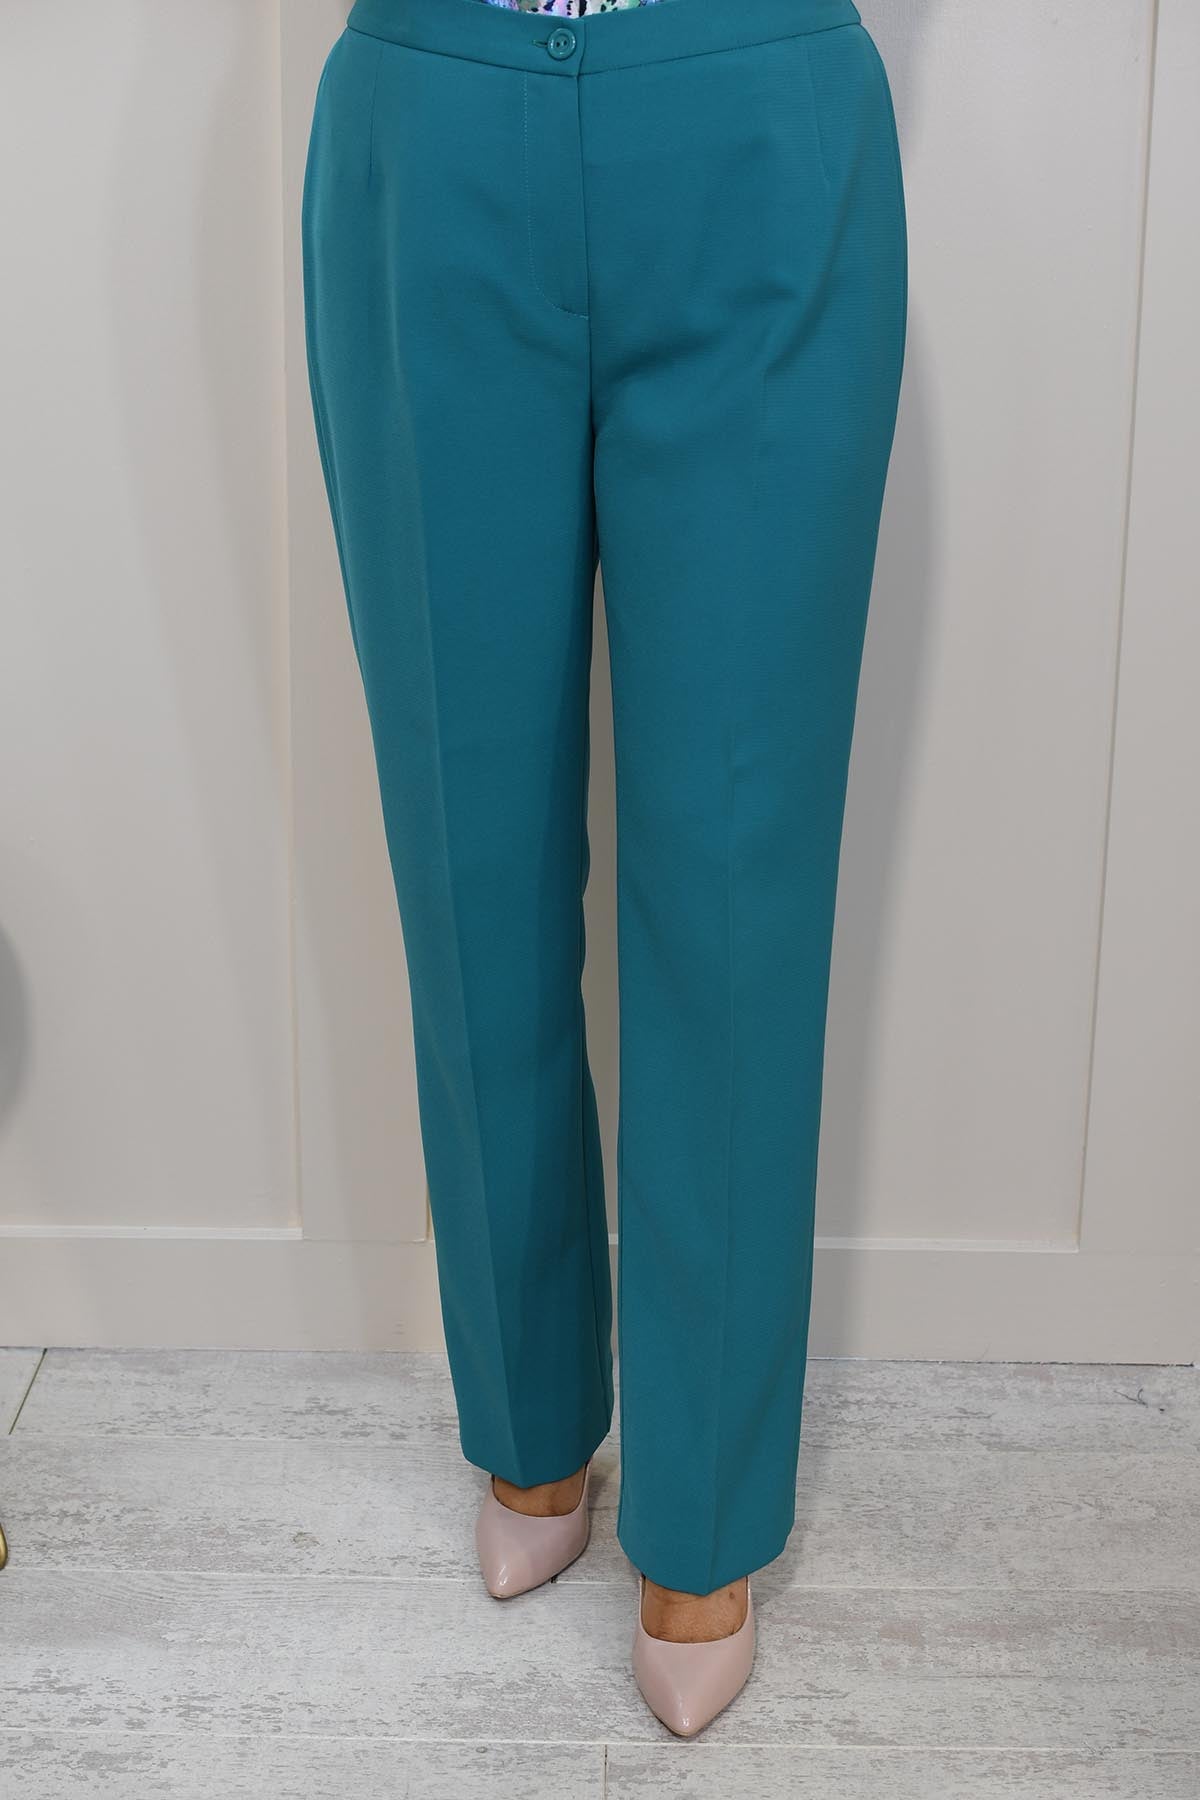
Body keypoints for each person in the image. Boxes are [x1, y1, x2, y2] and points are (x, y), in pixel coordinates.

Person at [302, 0, 905, 1738]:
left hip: (753, 113)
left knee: (736, 868)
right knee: (464, 835)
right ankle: (529, 1420)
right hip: (430, 115)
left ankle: (703, 1515)